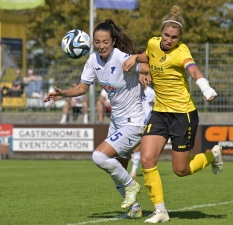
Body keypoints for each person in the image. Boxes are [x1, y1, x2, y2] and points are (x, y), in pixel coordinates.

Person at [123, 5, 223, 223]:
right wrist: (136, 59)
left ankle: (213, 155)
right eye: (166, 35)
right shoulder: (152, 42)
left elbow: (193, 69)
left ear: (179, 38)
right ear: (161, 32)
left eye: (174, 37)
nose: (169, 40)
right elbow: (149, 56)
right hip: (159, 113)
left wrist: (205, 87)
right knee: (148, 159)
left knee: (181, 170)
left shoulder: (181, 51)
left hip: (183, 115)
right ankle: (160, 211)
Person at [45, 19, 150, 219]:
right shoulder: (93, 60)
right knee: (116, 169)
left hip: (133, 122)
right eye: (97, 42)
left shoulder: (122, 58)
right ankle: (135, 209)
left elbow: (150, 67)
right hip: (117, 122)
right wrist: (64, 94)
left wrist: (145, 72)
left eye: (105, 42)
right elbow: (83, 87)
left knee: (99, 156)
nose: (101, 46)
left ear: (113, 41)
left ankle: (132, 186)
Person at [130, 84, 156, 178]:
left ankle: (133, 171)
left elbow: (155, 104)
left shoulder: (151, 92)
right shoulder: (134, 89)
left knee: (140, 147)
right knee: (135, 146)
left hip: (147, 122)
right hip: (134, 120)